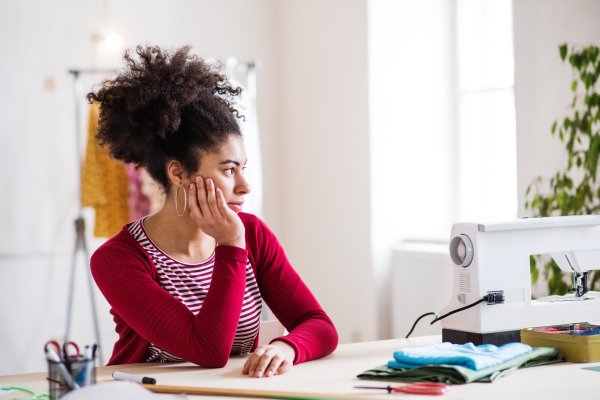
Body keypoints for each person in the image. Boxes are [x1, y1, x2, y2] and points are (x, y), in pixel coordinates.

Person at [88, 45, 338, 378]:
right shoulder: (117, 259)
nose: (245, 186)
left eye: (243, 168)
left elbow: (319, 326)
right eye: (229, 170)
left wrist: (285, 347)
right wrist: (231, 243)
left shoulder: (254, 234)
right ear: (178, 173)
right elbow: (208, 350)